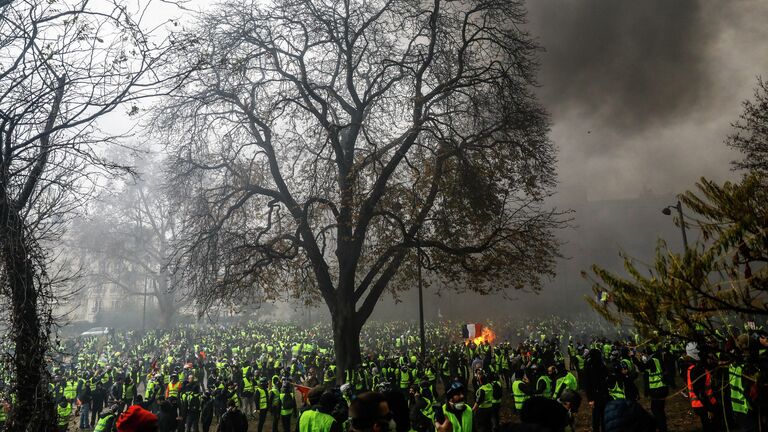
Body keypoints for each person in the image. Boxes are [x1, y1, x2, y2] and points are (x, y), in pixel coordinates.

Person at [582, 349, 608, 432]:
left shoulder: (601, 365)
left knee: (603, 415)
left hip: (603, 394)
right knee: (597, 416)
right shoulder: (589, 366)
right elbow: (587, 384)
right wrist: (590, 399)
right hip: (596, 395)